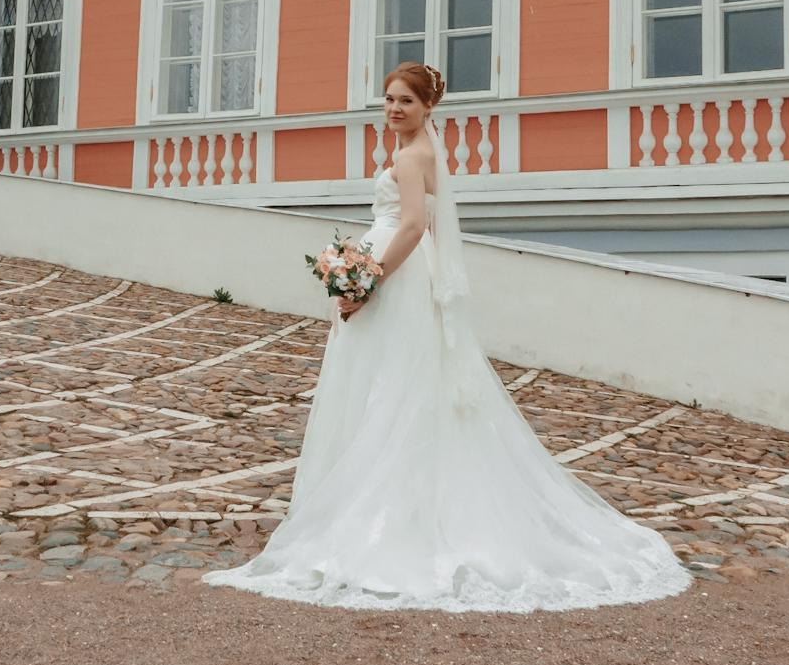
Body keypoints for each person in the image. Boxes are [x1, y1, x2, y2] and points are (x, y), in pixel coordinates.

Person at [203, 61, 692, 612]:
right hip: (409, 273)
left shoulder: (412, 157)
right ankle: (393, 504)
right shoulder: (423, 153)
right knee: (400, 386)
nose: (393, 109)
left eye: (406, 102)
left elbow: (413, 225)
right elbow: (425, 229)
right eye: (388, 99)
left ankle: (381, 514)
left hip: (398, 273)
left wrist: (367, 282)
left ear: (428, 108)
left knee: (391, 388)